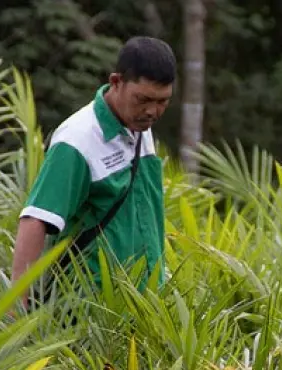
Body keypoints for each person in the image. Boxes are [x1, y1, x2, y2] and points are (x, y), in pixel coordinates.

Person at [11, 36, 177, 307]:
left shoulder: (139, 129)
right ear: (116, 82)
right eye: (143, 99)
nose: (152, 111)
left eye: (162, 101)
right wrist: (15, 310)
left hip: (144, 307)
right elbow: (36, 219)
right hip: (89, 312)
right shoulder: (78, 139)